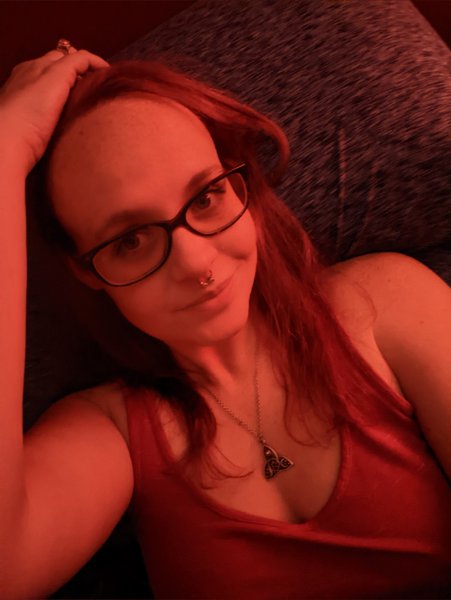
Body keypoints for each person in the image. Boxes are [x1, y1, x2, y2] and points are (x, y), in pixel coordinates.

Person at [0, 39, 450, 600]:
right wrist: (5, 151)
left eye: (207, 197)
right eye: (131, 240)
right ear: (87, 271)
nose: (195, 262)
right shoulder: (110, 429)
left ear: (241, 186)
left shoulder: (386, 302)